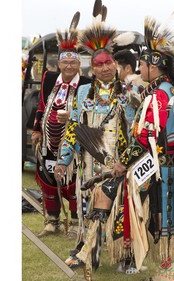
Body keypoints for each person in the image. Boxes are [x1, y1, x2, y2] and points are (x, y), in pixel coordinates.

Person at [111, 2, 174, 280]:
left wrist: (123, 162)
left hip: (159, 168)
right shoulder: (164, 92)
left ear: (155, 67)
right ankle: (164, 270)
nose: (139, 68)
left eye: (142, 64)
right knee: (163, 214)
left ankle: (166, 273)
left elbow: (145, 137)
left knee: (162, 215)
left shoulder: (157, 97)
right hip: (164, 166)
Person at [53, 1, 139, 279]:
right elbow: (74, 129)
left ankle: (124, 257)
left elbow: (135, 130)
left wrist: (126, 162)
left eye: (108, 63)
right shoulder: (82, 94)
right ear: (92, 68)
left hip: (118, 162)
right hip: (90, 162)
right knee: (91, 207)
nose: (104, 69)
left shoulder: (128, 93)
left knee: (119, 209)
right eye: (99, 65)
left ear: (115, 64)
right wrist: (63, 161)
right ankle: (89, 251)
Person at [31, 11, 91, 238]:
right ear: (59, 63)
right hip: (48, 141)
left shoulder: (87, 83)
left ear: (79, 64)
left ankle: (76, 223)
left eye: (73, 62)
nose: (68, 66)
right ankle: (52, 221)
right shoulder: (48, 79)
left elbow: (90, 112)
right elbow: (41, 106)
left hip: (73, 142)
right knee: (47, 178)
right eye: (65, 62)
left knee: (74, 181)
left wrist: (75, 119)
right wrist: (37, 129)